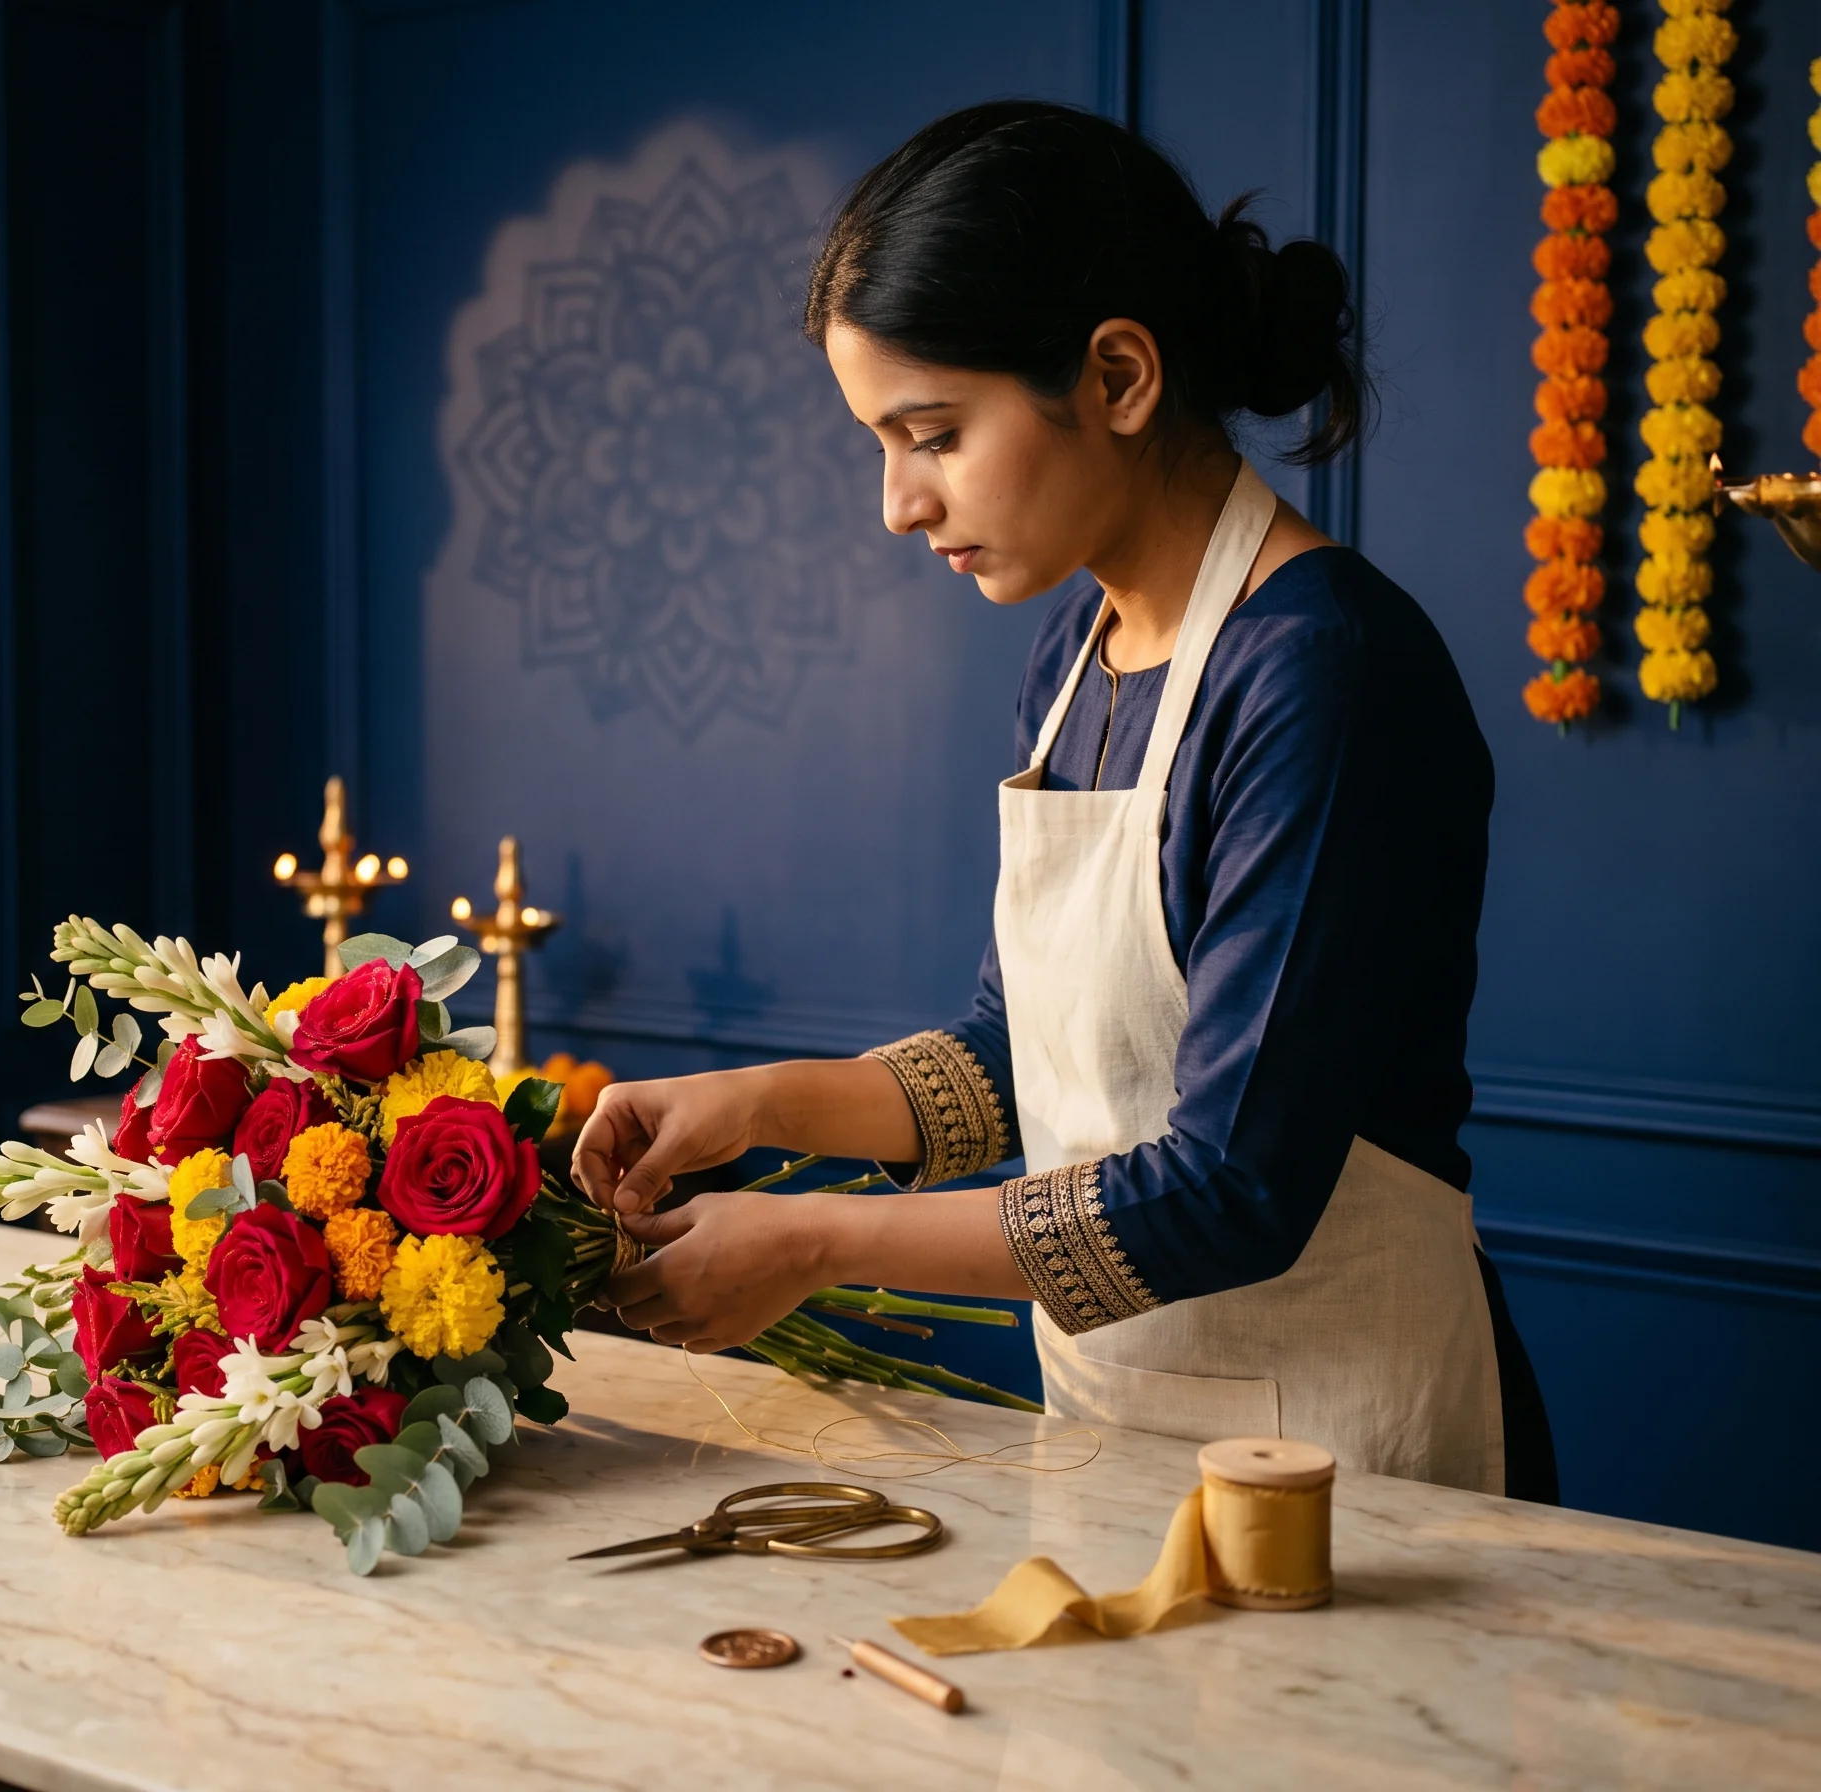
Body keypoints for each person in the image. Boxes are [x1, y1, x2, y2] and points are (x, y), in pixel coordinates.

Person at [571, 99, 1556, 1502]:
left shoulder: (1323, 671)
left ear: (1118, 375)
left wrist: (810, 1244)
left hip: (1354, 1456)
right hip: (1119, 1429)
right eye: (881, 443)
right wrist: (750, 1106)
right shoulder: (1073, 650)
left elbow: (1233, 1190)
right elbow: (1017, 1062)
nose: (899, 504)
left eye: (932, 433)